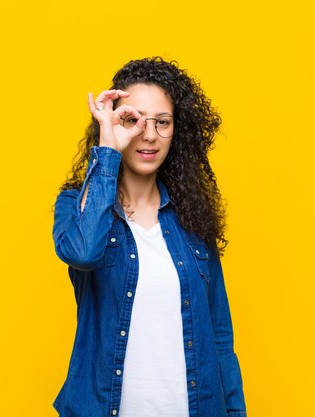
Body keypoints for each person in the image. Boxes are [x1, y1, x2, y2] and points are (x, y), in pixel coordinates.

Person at [52, 57, 247, 417]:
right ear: (114, 121)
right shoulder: (77, 205)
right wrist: (108, 148)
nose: (150, 134)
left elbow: (220, 338)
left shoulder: (192, 218)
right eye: (134, 119)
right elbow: (82, 252)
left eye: (163, 122)